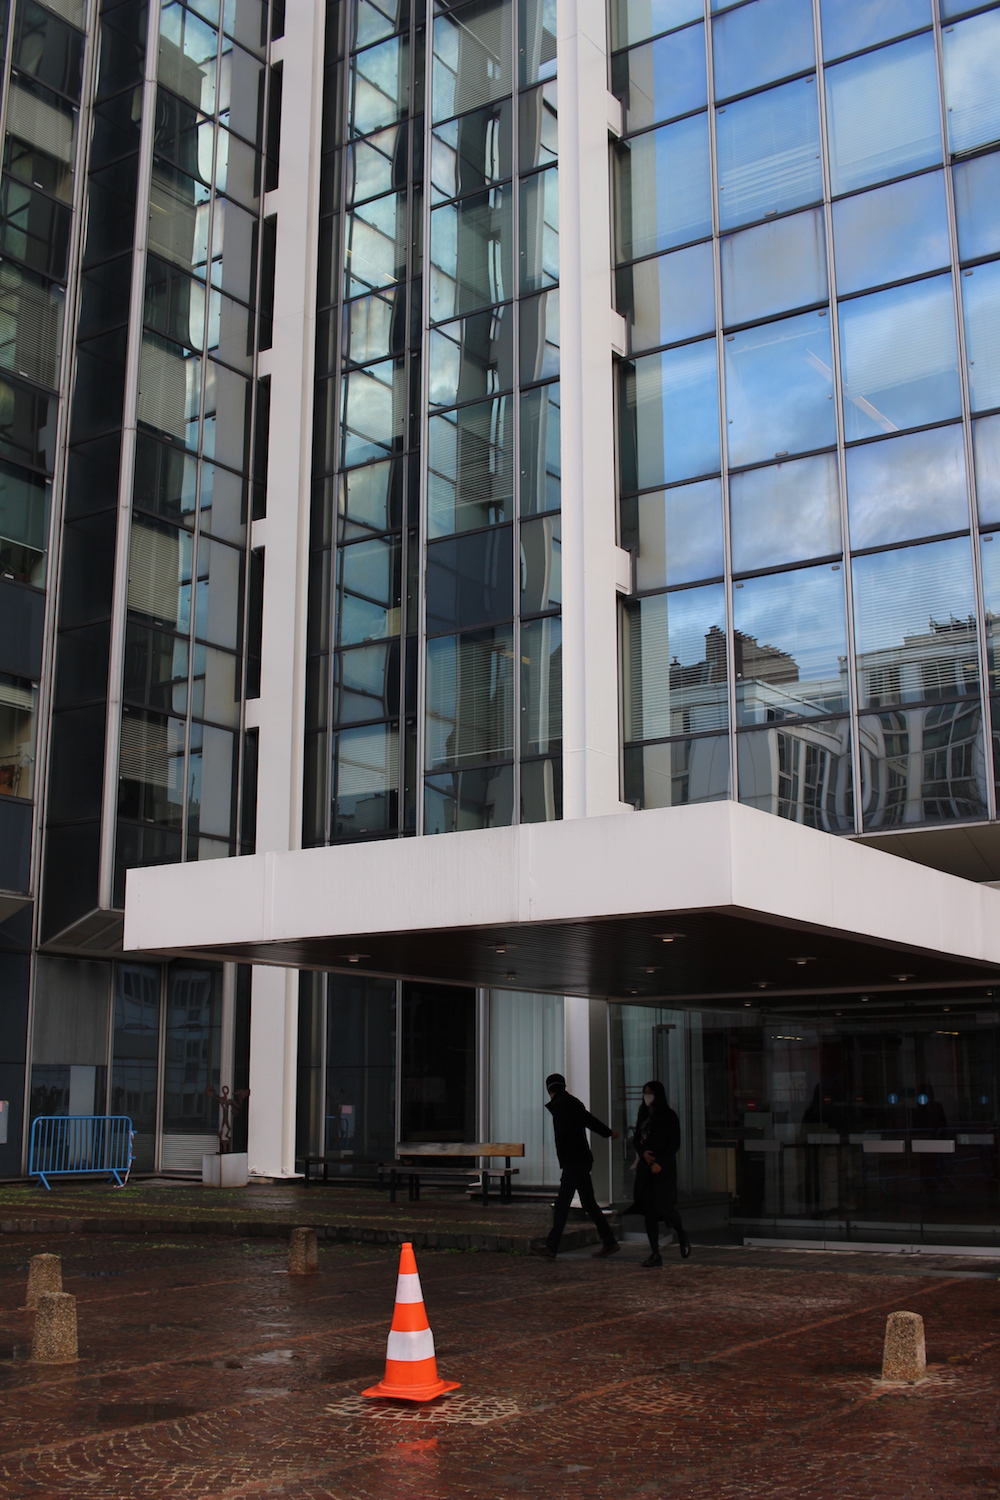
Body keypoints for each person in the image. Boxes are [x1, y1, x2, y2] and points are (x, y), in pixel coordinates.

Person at [531, 1073, 621, 1261]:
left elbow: (564, 1135)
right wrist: (608, 1133)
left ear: (549, 1090)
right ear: (563, 1086)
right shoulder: (572, 1103)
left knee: (563, 1203)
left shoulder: (560, 1105)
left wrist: (565, 1160)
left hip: (573, 1161)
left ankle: (551, 1247)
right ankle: (609, 1241)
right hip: (580, 1159)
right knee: (588, 1203)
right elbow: (589, 1121)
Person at [624, 1080, 690, 1267]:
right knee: (649, 1211)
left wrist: (660, 1163)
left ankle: (681, 1232)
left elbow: (674, 1143)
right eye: (645, 1093)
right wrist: (642, 1153)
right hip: (646, 1166)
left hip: (663, 1169)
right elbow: (637, 1137)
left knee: (665, 1208)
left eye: (650, 1093)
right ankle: (655, 1253)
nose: (647, 1096)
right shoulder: (643, 1113)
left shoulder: (669, 1116)